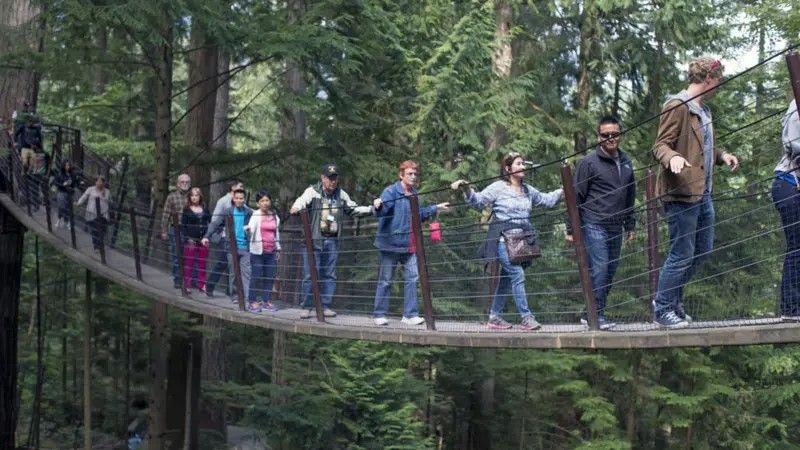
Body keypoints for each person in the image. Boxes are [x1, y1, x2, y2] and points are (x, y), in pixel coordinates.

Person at [651, 57, 739, 328]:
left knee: (702, 250)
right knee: (681, 253)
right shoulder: (677, 105)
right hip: (682, 193)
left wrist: (722, 155)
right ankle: (662, 308)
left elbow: (700, 150)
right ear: (709, 79)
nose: (719, 86)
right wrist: (672, 159)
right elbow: (660, 145)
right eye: (718, 81)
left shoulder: (705, 111)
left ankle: (673, 300)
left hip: (703, 193)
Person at [452, 152, 563, 330]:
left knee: (506, 278)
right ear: (508, 168)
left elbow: (546, 200)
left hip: (522, 242)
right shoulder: (499, 187)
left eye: (523, 164)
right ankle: (526, 317)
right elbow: (479, 201)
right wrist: (466, 188)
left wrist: (564, 189)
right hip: (503, 239)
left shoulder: (527, 190)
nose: (523, 167)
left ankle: (494, 317)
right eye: (518, 164)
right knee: (517, 274)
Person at [565, 115, 636, 330]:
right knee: (600, 267)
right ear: (599, 137)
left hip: (616, 224)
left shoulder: (626, 162)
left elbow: (629, 196)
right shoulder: (588, 163)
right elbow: (575, 196)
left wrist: (630, 225)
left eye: (614, 134)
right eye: (606, 135)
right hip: (593, 222)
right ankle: (594, 316)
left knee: (611, 269)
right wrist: (571, 228)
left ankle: (593, 313)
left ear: (620, 135)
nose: (610, 138)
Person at [290, 163, 374, 318]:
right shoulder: (312, 192)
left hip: (332, 240)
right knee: (310, 274)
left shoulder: (341, 194)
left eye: (335, 178)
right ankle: (307, 306)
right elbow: (300, 202)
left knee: (329, 274)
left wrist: (371, 209)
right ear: (322, 178)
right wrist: (296, 208)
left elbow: (353, 209)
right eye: (329, 178)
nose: (332, 181)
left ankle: (324, 306)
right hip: (313, 241)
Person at [372, 160, 449, 326]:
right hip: (390, 244)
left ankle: (409, 314)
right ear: (401, 175)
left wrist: (436, 208)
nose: (413, 177)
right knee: (386, 279)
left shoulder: (414, 193)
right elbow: (382, 211)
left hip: (409, 244)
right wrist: (378, 205)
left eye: (415, 174)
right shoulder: (391, 191)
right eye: (410, 174)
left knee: (412, 278)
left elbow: (418, 214)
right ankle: (379, 314)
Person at [773, 99, 800, 321]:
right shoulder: (796, 106)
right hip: (789, 184)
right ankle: (790, 308)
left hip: (793, 185)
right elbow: (794, 144)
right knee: (797, 246)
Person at [202, 188, 253, 302]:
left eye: (241, 198)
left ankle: (246, 297)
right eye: (237, 198)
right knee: (233, 272)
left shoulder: (249, 212)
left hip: (245, 247)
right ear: (233, 199)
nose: (239, 200)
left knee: (246, 272)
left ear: (244, 199)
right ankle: (234, 295)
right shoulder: (228, 211)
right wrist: (206, 236)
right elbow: (215, 224)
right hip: (231, 246)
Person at [245, 190, 281, 313]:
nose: (265, 203)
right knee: (256, 276)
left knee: (269, 277)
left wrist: (278, 248)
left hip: (271, 252)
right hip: (257, 252)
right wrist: (248, 230)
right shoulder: (255, 215)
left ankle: (266, 301)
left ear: (270, 201)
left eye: (267, 200)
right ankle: (252, 301)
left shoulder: (275, 216)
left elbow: (276, 234)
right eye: (262, 201)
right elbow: (251, 228)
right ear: (258, 203)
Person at [161, 173, 191, 289]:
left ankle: (189, 280)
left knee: (189, 255)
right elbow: (165, 215)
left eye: (187, 182)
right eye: (182, 182)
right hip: (176, 228)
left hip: (190, 230)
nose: (185, 184)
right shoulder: (171, 197)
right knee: (176, 254)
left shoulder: (193, 196)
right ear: (178, 184)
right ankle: (177, 279)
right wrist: (164, 230)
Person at [181, 187, 211, 294]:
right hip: (191, 240)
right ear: (190, 197)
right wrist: (188, 238)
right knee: (189, 263)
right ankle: (187, 285)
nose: (194, 197)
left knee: (202, 263)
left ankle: (202, 284)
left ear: (200, 196)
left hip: (203, 240)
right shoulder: (186, 209)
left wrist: (207, 236)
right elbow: (183, 226)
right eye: (192, 195)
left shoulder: (205, 209)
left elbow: (211, 223)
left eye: (196, 195)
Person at [76, 175, 111, 251]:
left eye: (101, 181)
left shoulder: (107, 191)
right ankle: (96, 247)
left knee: (102, 231)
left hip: (103, 214)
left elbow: (108, 201)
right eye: (97, 181)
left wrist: (103, 194)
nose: (99, 183)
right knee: (95, 231)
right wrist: (79, 203)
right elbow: (84, 197)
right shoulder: (90, 189)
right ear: (95, 182)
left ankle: (99, 245)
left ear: (104, 183)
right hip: (92, 214)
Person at [53, 160, 79, 229]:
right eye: (66, 165)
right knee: (62, 207)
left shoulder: (73, 174)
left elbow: (76, 182)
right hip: (62, 192)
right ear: (63, 166)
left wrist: (74, 186)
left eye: (69, 165)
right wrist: (63, 184)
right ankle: (59, 220)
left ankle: (68, 222)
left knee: (69, 208)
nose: (68, 167)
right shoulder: (60, 173)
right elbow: (55, 182)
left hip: (70, 193)